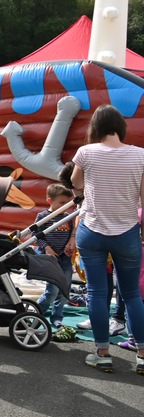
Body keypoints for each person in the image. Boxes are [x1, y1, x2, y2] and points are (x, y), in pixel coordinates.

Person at [69, 104, 144, 373]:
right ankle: (143, 356)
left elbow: (76, 184)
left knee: (98, 293)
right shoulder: (141, 156)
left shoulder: (85, 153)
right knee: (133, 294)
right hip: (127, 232)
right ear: (120, 127)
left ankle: (102, 352)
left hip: (93, 230)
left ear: (95, 128)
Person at [33, 183, 76, 339]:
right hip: (50, 258)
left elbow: (71, 234)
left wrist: (69, 246)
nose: (65, 207)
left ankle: (57, 317)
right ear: (50, 200)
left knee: (64, 291)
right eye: (62, 203)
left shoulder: (68, 218)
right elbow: (35, 235)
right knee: (52, 291)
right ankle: (38, 314)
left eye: (68, 203)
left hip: (64, 258)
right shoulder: (43, 216)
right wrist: (46, 247)